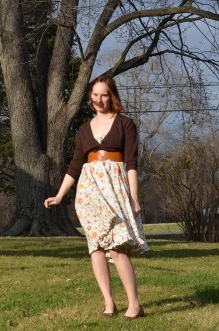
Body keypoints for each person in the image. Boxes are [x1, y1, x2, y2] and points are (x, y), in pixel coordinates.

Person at [44, 75, 149, 319]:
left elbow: (132, 162)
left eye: (104, 94)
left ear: (111, 96)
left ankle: (134, 305)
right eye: (95, 95)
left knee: (118, 247)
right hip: (89, 191)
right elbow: (74, 166)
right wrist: (59, 196)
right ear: (90, 97)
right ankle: (109, 304)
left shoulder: (125, 124)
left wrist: (134, 196)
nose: (99, 99)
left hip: (116, 188)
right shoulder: (83, 130)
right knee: (97, 248)